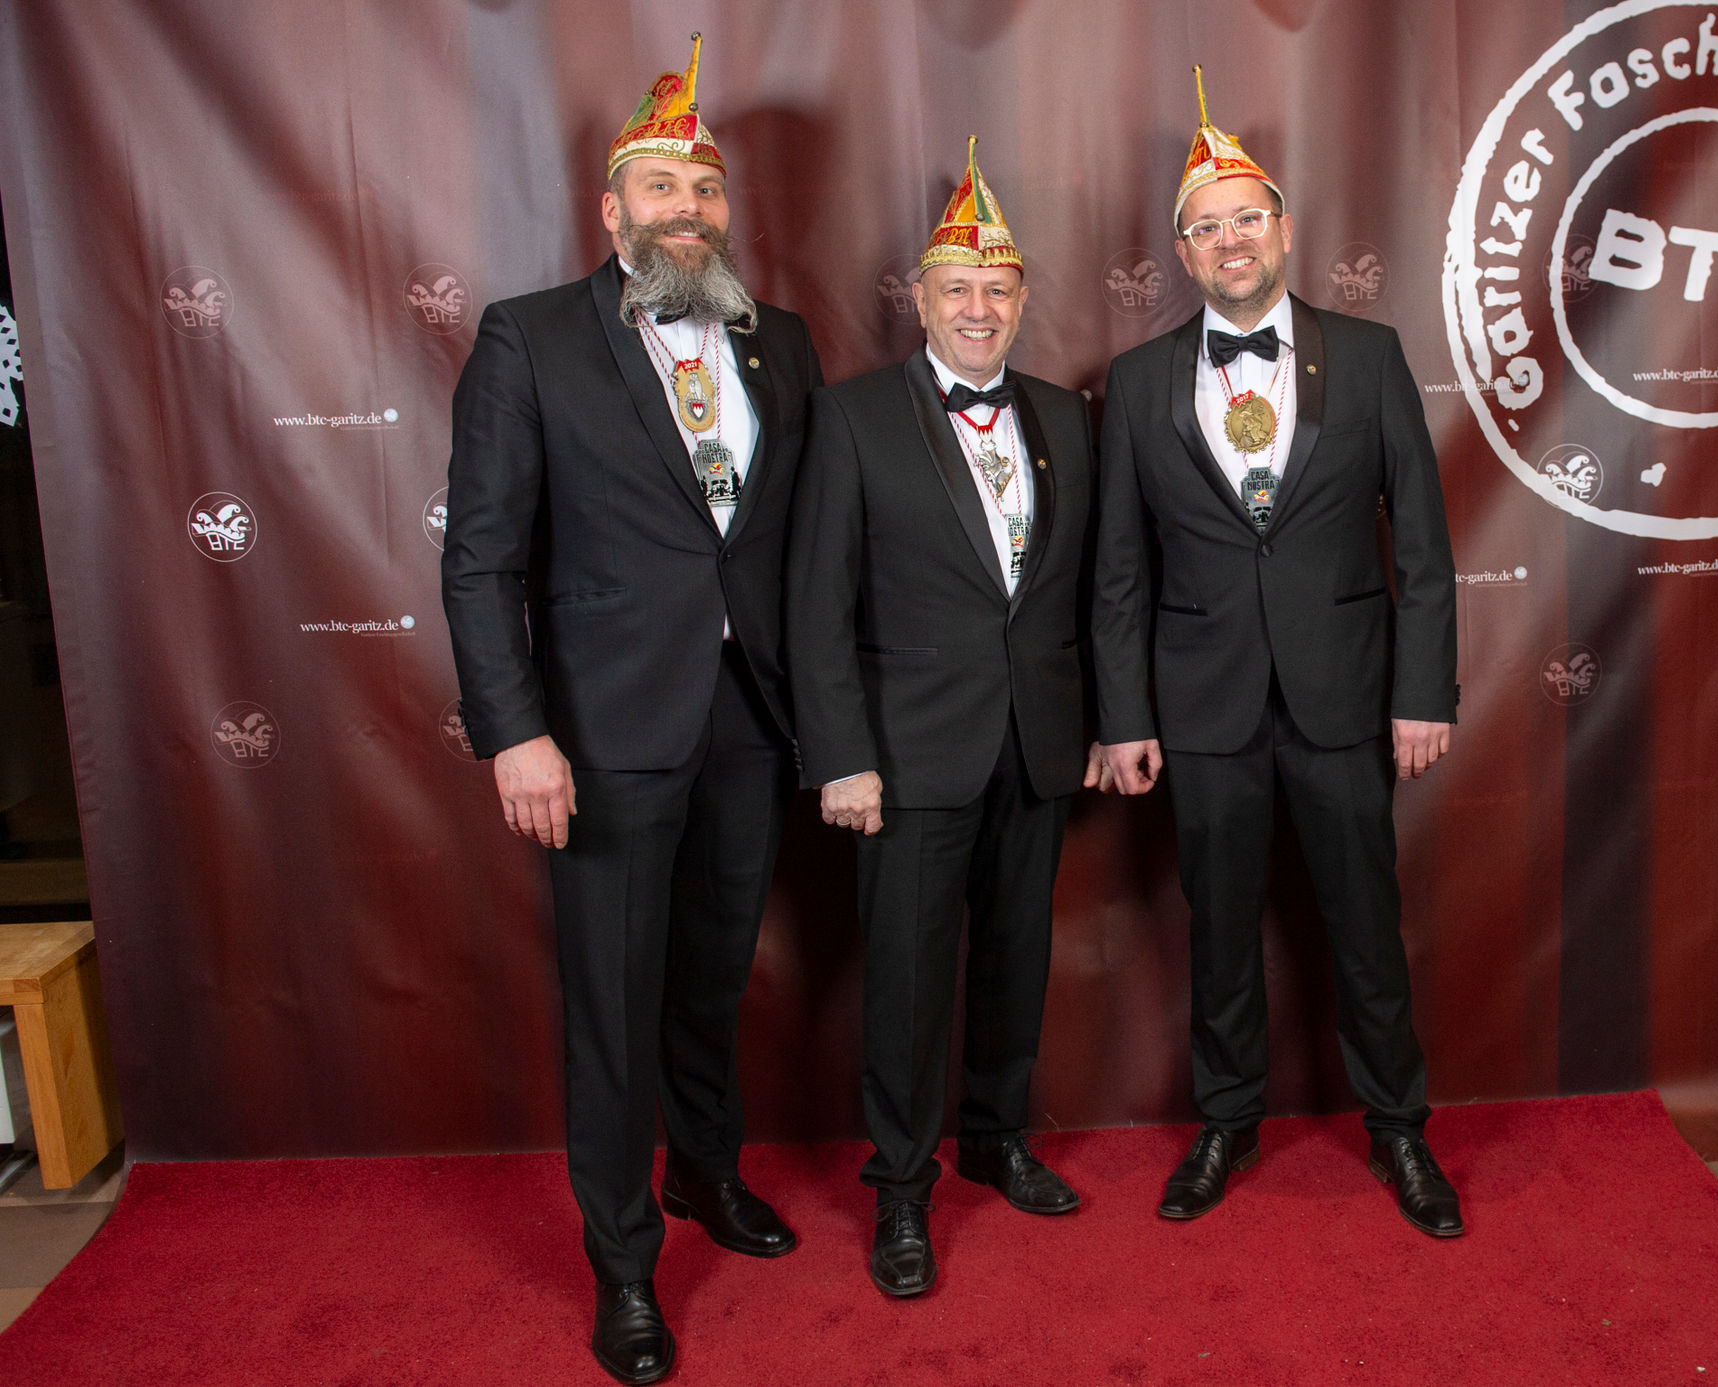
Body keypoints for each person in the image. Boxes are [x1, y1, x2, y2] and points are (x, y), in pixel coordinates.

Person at [441, 35, 821, 1384]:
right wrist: (515, 730)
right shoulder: (531, 335)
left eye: (706, 190)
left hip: (749, 721)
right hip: (601, 737)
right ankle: (623, 1265)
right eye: (662, 188)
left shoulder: (779, 341)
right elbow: (481, 556)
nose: (687, 209)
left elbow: (801, 548)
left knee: (713, 978)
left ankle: (705, 1175)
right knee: (613, 1002)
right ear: (611, 210)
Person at [1091, 70, 1464, 1238]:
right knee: (1218, 929)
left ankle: (1399, 1128)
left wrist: (1422, 692)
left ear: (1285, 230)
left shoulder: (1369, 354)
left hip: (1345, 695)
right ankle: (1227, 1120)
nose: (1231, 239)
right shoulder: (1139, 381)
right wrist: (1122, 714)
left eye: (1247, 216)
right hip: (1202, 707)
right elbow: (1117, 566)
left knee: (1365, 924)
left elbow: (1425, 546)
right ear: (1183, 253)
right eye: (1207, 226)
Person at [786, 138, 1097, 1298]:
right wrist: (841, 756)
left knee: (1017, 958)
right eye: (958, 289)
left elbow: (1092, 590)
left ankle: (997, 1139)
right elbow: (816, 602)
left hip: (1037, 742)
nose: (978, 308)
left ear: (1021, 302)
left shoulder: (1066, 417)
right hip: (906, 754)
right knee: (910, 980)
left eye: (998, 289)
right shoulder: (853, 417)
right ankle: (903, 1190)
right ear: (919, 300)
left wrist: (1100, 723)